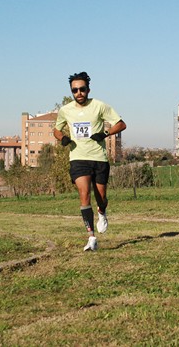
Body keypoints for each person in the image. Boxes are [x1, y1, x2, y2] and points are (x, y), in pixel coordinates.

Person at [53, 72, 126, 252]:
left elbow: (121, 124)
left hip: (99, 158)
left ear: (88, 89)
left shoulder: (99, 106)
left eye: (82, 89)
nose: (79, 93)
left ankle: (102, 212)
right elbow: (56, 129)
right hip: (78, 158)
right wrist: (62, 138)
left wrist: (106, 133)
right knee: (84, 194)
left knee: (101, 197)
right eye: (75, 90)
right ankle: (91, 237)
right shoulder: (65, 110)